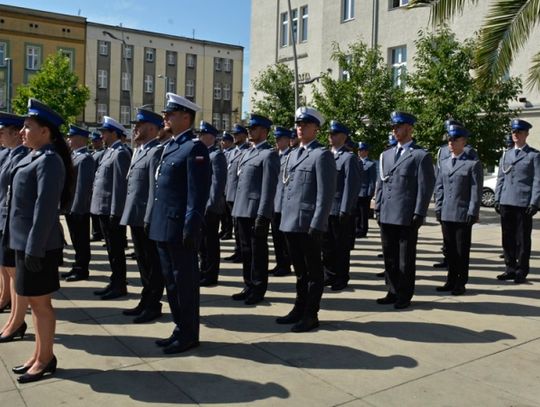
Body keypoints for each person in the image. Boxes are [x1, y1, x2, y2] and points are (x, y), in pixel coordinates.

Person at [6, 98, 73, 383]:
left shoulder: (49, 161)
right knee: (34, 303)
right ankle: (38, 354)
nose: (22, 131)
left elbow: (45, 209)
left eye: (28, 126)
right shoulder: (32, 156)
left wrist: (33, 249)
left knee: (41, 305)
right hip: (24, 243)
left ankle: (45, 359)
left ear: (45, 132)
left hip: (39, 246)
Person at [148, 92, 210, 354]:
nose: (166, 118)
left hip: (179, 228)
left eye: (170, 114)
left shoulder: (195, 148)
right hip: (163, 225)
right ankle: (179, 328)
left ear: (186, 117)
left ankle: (189, 334)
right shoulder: (171, 146)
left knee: (184, 283)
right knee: (171, 284)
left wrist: (190, 226)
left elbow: (197, 195)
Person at [277, 107, 336, 332]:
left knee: (313, 272)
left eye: (305, 125)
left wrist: (318, 224)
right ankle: (299, 308)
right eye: (298, 125)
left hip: (308, 223)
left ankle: (311, 314)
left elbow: (325, 194)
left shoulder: (321, 155)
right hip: (290, 222)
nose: (300, 128)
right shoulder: (293, 153)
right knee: (300, 271)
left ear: (316, 129)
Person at [375, 111, 435, 309]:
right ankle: (391, 290)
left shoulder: (420, 155)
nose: (394, 130)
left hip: (406, 215)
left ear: (409, 129)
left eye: (398, 127)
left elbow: (425, 187)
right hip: (387, 213)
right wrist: (378, 207)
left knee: (405, 259)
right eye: (393, 127)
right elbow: (381, 184)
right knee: (389, 257)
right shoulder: (386, 154)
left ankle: (404, 294)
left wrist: (420, 212)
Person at [120, 108, 164, 323]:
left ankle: (153, 304)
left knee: (152, 263)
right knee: (143, 262)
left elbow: (154, 189)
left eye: (139, 125)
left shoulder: (156, 151)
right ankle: (145, 300)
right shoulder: (140, 150)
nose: (135, 129)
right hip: (135, 215)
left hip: (145, 217)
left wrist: (149, 217)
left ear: (152, 128)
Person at [231, 114, 280, 305]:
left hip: (255, 211)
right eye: (249, 128)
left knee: (257, 251)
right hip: (242, 209)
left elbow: (269, 188)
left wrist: (263, 215)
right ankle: (248, 285)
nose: (250, 131)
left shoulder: (269, 154)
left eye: (254, 128)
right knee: (246, 251)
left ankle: (258, 288)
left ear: (264, 131)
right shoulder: (248, 152)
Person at [434, 124, 483, 295]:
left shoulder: (472, 164)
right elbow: (439, 188)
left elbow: (476, 191)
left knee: (462, 250)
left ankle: (460, 282)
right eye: (449, 140)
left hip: (463, 214)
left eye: (455, 139)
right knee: (450, 249)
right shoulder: (444, 163)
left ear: (464, 142)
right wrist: (438, 208)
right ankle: (450, 279)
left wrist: (473, 212)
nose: (451, 143)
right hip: (446, 212)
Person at [494, 119, 540, 284]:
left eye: (519, 132)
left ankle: (521, 270)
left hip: (523, 202)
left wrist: (534, 202)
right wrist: (497, 198)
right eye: (514, 132)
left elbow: (537, 180)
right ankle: (510, 268)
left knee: (522, 239)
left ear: (526, 134)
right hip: (506, 200)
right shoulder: (506, 154)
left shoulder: (533, 155)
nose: (516, 135)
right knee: (508, 238)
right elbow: (501, 178)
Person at [90, 116, 131, 299]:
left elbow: (120, 186)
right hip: (103, 209)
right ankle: (115, 281)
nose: (102, 136)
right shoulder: (109, 152)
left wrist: (116, 212)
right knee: (111, 250)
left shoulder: (120, 153)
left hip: (111, 211)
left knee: (116, 251)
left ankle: (120, 284)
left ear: (114, 133)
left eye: (105, 132)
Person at [0, 113, 29, 342]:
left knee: (15, 272)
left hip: (13, 221)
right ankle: (13, 316)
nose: (0, 135)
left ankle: (17, 320)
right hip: (4, 218)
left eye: (3, 131)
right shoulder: (10, 155)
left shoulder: (22, 156)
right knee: (7, 268)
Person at [322, 121, 361, 291]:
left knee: (341, 247)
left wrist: (345, 209)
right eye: (330, 134)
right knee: (326, 246)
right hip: (325, 209)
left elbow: (350, 186)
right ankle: (328, 274)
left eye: (335, 134)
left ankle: (341, 277)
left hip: (339, 209)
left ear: (344, 137)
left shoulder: (349, 158)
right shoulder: (325, 155)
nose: (331, 136)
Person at [62, 125, 95, 282]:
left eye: (71, 136)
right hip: (70, 206)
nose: (68, 139)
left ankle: (82, 269)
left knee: (81, 240)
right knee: (75, 239)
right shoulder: (74, 156)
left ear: (80, 139)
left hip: (78, 207)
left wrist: (77, 207)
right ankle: (77, 266)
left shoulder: (86, 158)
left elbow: (83, 187)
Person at [198, 121, 227, 286]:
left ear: (211, 137)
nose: (200, 137)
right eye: (200, 134)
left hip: (210, 207)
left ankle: (210, 275)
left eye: (203, 134)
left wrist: (211, 205)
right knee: (202, 243)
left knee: (210, 243)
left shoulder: (217, 156)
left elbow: (217, 184)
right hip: (200, 206)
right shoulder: (202, 154)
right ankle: (203, 271)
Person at [224, 124, 250, 263]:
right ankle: (237, 250)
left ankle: (241, 251)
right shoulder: (233, 152)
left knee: (240, 228)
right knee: (235, 226)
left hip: (239, 195)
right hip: (230, 193)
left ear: (245, 136)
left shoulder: (247, 151)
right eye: (233, 134)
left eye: (237, 134)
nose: (234, 136)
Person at [271, 126, 294, 277]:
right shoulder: (273, 156)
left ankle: (286, 265)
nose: (277, 141)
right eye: (276, 139)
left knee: (285, 238)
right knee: (276, 237)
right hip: (274, 202)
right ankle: (279, 263)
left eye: (280, 139)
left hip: (285, 203)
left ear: (287, 140)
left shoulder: (291, 156)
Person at [356, 142, 376, 238]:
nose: (359, 152)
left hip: (364, 192)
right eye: (359, 150)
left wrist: (370, 193)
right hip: (356, 192)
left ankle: (363, 230)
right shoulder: (355, 162)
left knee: (363, 213)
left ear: (366, 152)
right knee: (356, 213)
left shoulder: (370, 164)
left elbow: (372, 181)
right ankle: (356, 229)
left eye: (361, 150)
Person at [219, 131, 235, 240]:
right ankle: (224, 229)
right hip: (222, 187)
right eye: (222, 140)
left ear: (229, 142)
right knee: (222, 212)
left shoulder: (233, 153)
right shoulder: (222, 153)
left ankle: (228, 231)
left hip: (229, 187)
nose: (222, 142)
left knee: (229, 213)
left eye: (224, 141)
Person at [90, 132, 106, 242]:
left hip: (96, 185)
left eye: (95, 141)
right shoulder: (94, 153)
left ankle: (98, 233)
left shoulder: (101, 153)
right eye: (92, 141)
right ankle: (96, 232)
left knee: (96, 213)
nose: (93, 143)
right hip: (92, 185)